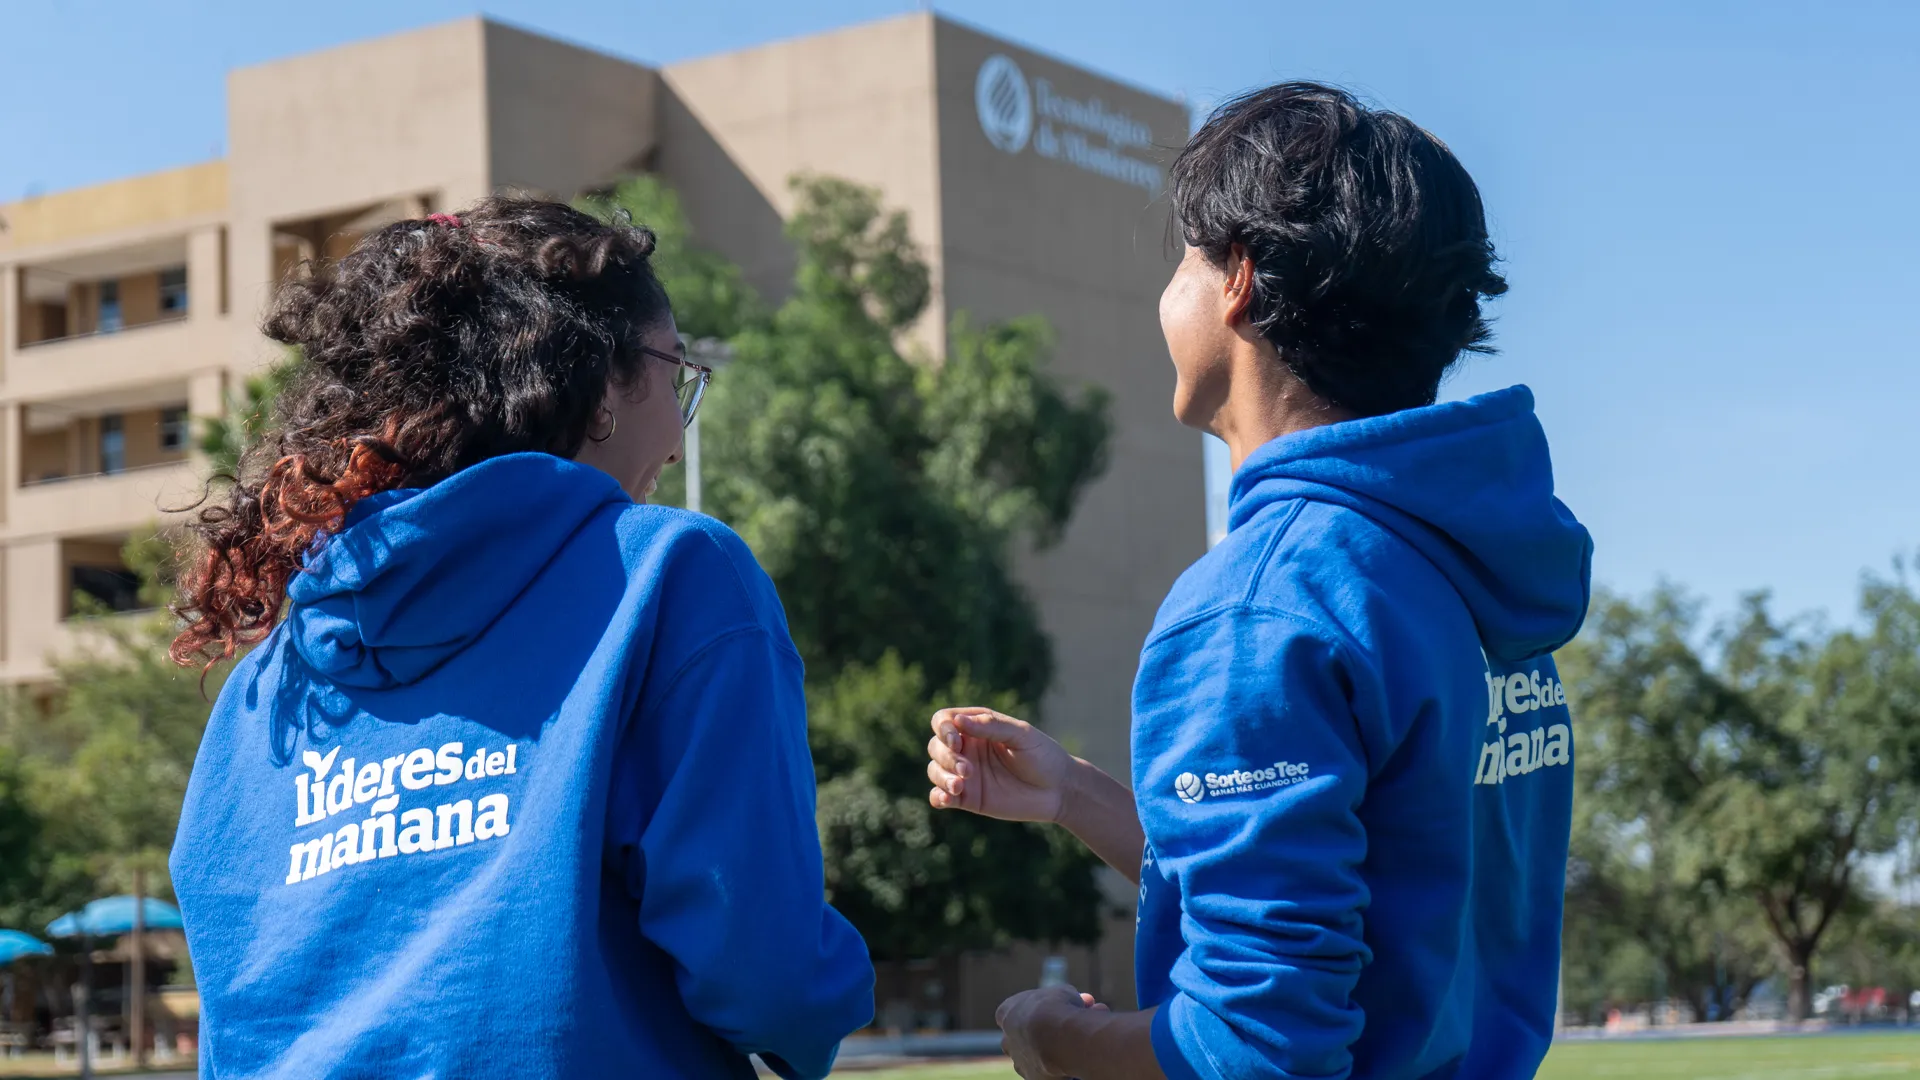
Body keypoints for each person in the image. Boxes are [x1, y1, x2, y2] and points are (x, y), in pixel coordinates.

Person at [924, 83, 1591, 1079]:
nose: (1167, 294)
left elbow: (1259, 1049)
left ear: (1237, 277)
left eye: (1183, 259)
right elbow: (1382, 891)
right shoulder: (1457, 570)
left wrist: (1054, 1037)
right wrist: (1075, 795)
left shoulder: (1260, 605)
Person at [167, 198, 873, 1079]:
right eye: (676, 371)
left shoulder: (264, 688)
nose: (676, 431)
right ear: (602, 379)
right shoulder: (668, 578)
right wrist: (834, 988)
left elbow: (242, 1002)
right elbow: (766, 978)